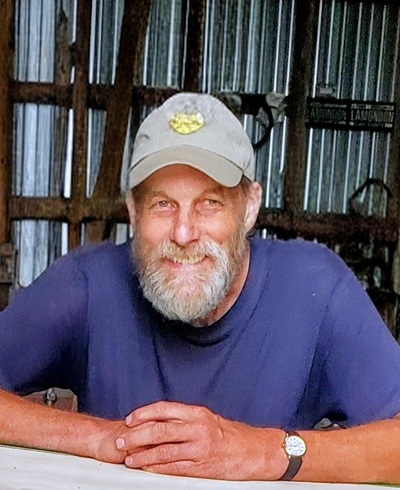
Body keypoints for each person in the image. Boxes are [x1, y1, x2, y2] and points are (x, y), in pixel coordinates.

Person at [1, 92, 400, 484]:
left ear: (249, 207)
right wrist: (99, 437)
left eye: (210, 203)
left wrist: (263, 451)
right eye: (162, 204)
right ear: (134, 212)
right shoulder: (89, 283)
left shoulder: (315, 288)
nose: (184, 233)